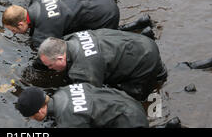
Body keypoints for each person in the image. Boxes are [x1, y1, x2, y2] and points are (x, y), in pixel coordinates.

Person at [38, 29, 168, 101]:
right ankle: (159, 73)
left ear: (60, 58)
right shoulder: (72, 37)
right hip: (142, 41)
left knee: (134, 98)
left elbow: (93, 98)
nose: (50, 69)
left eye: (50, 66)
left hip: (144, 59)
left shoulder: (83, 71)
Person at [2, 0, 119, 48]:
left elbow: (50, 56)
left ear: (21, 24)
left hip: (107, 15)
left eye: (13, 30)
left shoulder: (43, 32)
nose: (14, 33)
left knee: (101, 46)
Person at [16, 85, 149, 128]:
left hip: (133, 121)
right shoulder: (65, 90)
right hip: (131, 102)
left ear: (39, 110)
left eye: (32, 116)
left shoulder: (67, 121)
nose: (33, 119)